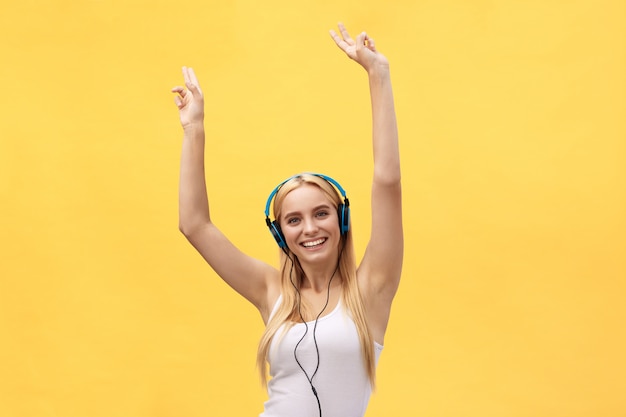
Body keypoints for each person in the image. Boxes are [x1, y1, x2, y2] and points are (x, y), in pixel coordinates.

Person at [171, 22, 403, 417]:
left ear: (341, 220)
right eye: (293, 220)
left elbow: (387, 180)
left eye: (321, 213)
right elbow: (195, 225)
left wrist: (377, 75)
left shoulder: (372, 289)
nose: (309, 228)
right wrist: (194, 129)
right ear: (281, 234)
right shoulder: (269, 290)